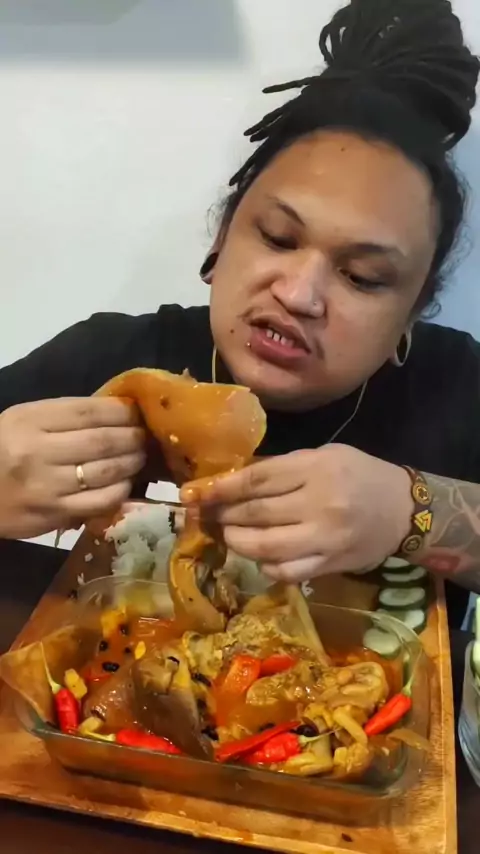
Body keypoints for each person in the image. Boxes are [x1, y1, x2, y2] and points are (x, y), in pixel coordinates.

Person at [0, 0, 479, 626]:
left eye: (362, 276)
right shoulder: (113, 359)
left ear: (412, 314)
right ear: (222, 239)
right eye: (278, 238)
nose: (299, 294)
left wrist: (411, 512)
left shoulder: (456, 387)